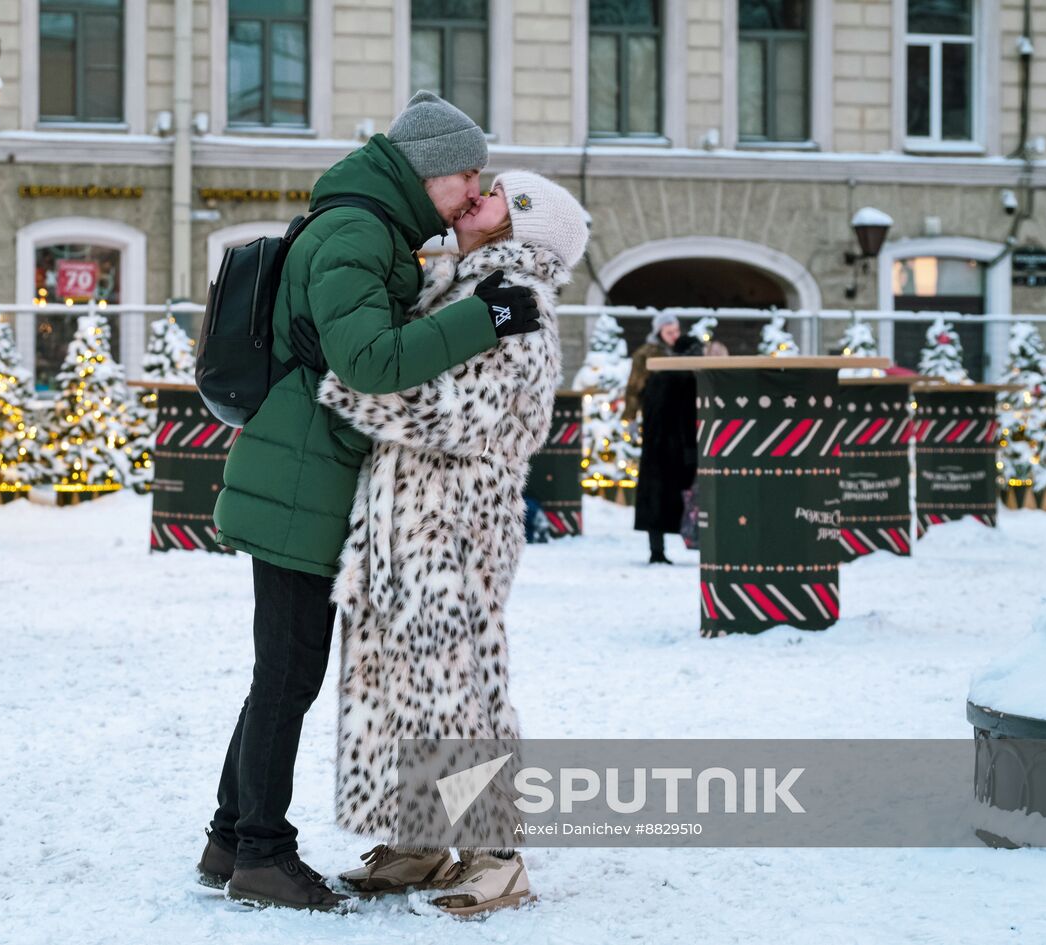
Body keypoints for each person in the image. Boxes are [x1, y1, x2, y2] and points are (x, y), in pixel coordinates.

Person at [199, 92, 544, 912]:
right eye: (467, 173)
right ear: (430, 171)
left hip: (304, 475)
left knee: (279, 675)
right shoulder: (357, 232)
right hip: (302, 483)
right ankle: (260, 854)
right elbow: (372, 363)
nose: (473, 189)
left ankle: (227, 837)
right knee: (287, 676)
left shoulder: (370, 225)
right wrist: (483, 317)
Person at [315, 171, 589, 916]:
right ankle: (423, 835)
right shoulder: (454, 289)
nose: (480, 195)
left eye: (501, 196)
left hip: (457, 519)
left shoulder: (516, 302)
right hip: (401, 519)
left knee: (457, 686)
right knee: (398, 676)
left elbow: (464, 415)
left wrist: (354, 389)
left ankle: (496, 854)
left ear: (522, 227)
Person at [630, 319, 703, 564]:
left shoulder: (663, 374)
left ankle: (657, 548)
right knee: (671, 496)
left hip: (658, 443)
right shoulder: (675, 373)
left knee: (658, 496)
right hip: (675, 444)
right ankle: (664, 547)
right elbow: (633, 387)